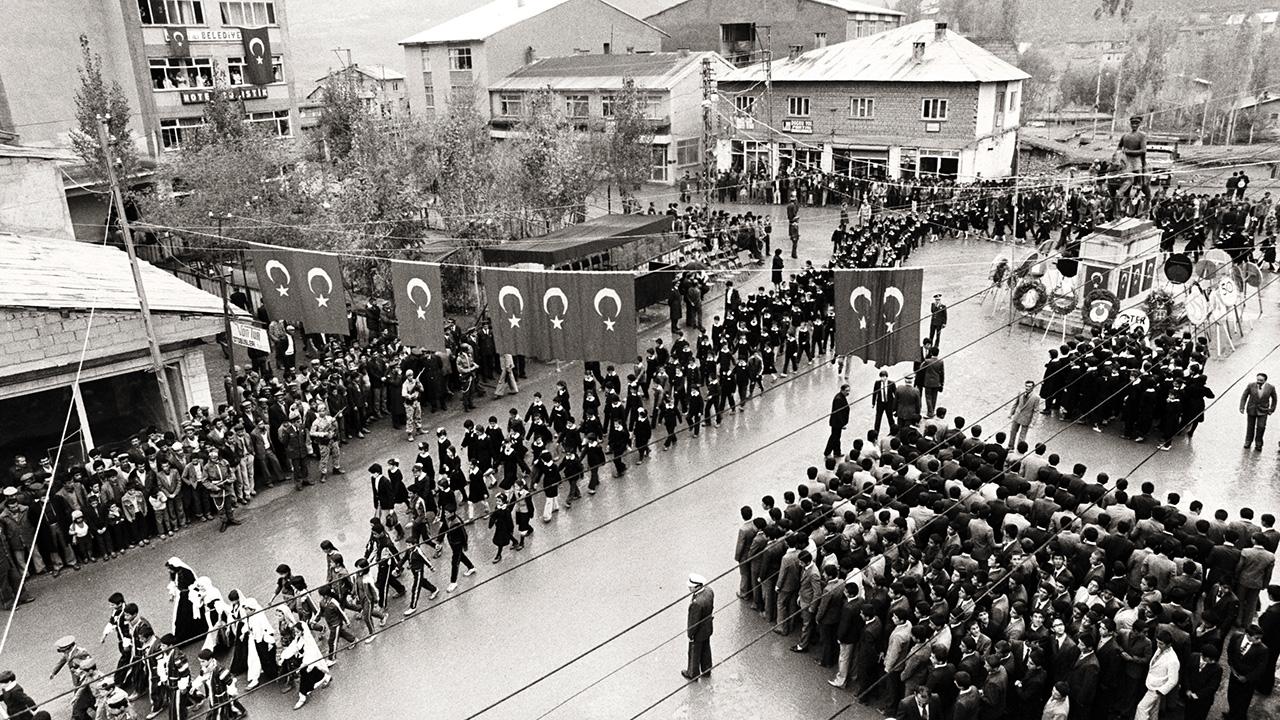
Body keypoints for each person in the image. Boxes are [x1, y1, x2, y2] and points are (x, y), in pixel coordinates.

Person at [1224, 623, 1267, 720]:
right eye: (1256, 638)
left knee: (1243, 701)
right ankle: (1231, 713)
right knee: (1231, 695)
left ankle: (1240, 717)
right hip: (1234, 674)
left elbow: (1260, 668)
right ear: (1247, 635)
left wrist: (1247, 678)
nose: (1259, 641)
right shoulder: (1236, 637)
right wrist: (1232, 667)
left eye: (1260, 638)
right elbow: (1230, 651)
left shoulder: (1263, 649)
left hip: (1248, 681)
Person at [1135, 629, 1179, 720]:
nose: (1158, 645)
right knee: (1153, 711)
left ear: (1169, 645)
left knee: (1141, 708)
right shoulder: (1160, 649)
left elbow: (1173, 680)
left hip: (1156, 689)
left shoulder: (1173, 660)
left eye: (1161, 644)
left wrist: (1160, 690)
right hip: (1152, 684)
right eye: (1157, 642)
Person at [683, 573, 714, 680]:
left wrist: (690, 634)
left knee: (694, 652)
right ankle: (706, 669)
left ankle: (692, 673)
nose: (689, 588)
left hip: (698, 632)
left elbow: (693, 621)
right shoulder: (709, 591)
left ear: (698, 586)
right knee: (706, 649)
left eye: (691, 587)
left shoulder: (697, 603)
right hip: (708, 627)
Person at [1181, 646, 1222, 720]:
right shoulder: (1193, 657)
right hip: (1189, 697)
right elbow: (1186, 674)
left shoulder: (1217, 669)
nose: (1213, 662)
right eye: (1211, 659)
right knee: (1187, 715)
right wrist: (1187, 689)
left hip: (1203, 701)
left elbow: (1212, 687)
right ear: (1203, 656)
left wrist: (1197, 695)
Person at [1239, 372, 1276, 450]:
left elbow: (1274, 399)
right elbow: (1244, 396)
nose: (1258, 381)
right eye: (1258, 379)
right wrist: (1242, 407)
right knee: (1250, 427)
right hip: (1251, 409)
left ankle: (1259, 443)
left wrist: (1271, 409)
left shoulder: (1271, 387)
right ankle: (1248, 441)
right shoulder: (1250, 385)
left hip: (1263, 411)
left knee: (1261, 427)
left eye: (1261, 380)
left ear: (1265, 380)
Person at [1008, 379, 1041, 449]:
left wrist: (1032, 422)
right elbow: (1016, 403)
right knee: (1012, 432)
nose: (1027, 388)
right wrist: (1011, 413)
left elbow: (1036, 411)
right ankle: (1010, 446)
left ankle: (1019, 449)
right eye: (1026, 386)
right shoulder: (1021, 392)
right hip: (1017, 416)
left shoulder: (1036, 397)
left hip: (1026, 419)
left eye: (1029, 386)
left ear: (1033, 388)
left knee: (1022, 436)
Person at [825, 384, 851, 457]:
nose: (848, 392)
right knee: (834, 438)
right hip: (836, 423)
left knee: (836, 438)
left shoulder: (841, 396)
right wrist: (842, 424)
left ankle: (837, 452)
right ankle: (827, 452)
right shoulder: (838, 399)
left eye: (849, 390)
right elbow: (838, 413)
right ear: (842, 390)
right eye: (846, 391)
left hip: (837, 422)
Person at [871, 370, 897, 435]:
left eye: (884, 376)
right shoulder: (877, 383)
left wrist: (895, 405)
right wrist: (873, 403)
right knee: (878, 419)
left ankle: (893, 432)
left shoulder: (891, 383)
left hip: (889, 404)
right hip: (880, 404)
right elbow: (874, 393)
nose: (883, 378)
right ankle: (876, 434)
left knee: (890, 418)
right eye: (882, 377)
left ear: (887, 377)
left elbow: (895, 395)